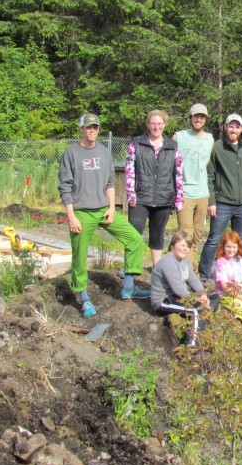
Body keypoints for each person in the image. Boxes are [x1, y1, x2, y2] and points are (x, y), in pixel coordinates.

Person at [59, 113, 148, 318]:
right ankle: (83, 298)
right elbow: (65, 187)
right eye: (88, 127)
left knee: (134, 239)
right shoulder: (71, 154)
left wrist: (111, 207)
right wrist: (71, 216)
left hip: (103, 209)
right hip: (81, 212)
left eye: (95, 127)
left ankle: (128, 287)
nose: (92, 131)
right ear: (81, 129)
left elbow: (109, 182)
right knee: (80, 255)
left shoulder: (104, 152)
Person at [198, 113, 242, 278]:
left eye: (237, 127)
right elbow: (209, 176)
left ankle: (238, 274)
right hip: (222, 202)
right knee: (215, 239)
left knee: (240, 241)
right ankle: (204, 274)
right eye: (231, 126)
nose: (234, 129)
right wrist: (212, 201)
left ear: (241, 129)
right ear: (225, 127)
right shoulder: (217, 147)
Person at [126, 109, 184, 267]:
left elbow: (178, 174)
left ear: (165, 124)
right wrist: (131, 194)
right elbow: (130, 170)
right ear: (148, 124)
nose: (156, 127)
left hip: (164, 198)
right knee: (133, 234)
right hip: (141, 197)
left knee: (157, 235)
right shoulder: (137, 143)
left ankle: (156, 269)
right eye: (153, 123)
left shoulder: (173, 146)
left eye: (159, 123)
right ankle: (131, 269)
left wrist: (179, 199)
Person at [149, 231, 214, 346]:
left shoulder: (184, 261)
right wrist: (198, 300)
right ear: (173, 245)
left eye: (188, 246)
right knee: (197, 309)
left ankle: (200, 327)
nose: (186, 249)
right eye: (183, 245)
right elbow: (177, 288)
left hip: (177, 297)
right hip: (164, 300)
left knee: (214, 296)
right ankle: (192, 347)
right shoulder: (168, 262)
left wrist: (203, 294)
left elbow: (193, 279)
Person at [173, 103, 214, 266]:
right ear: (190, 117)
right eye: (196, 116)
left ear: (205, 119)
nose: (199, 119)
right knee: (185, 236)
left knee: (197, 236)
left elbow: (208, 167)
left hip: (202, 194)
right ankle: (189, 275)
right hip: (185, 193)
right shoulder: (179, 137)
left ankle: (190, 269)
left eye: (202, 117)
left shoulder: (209, 139)